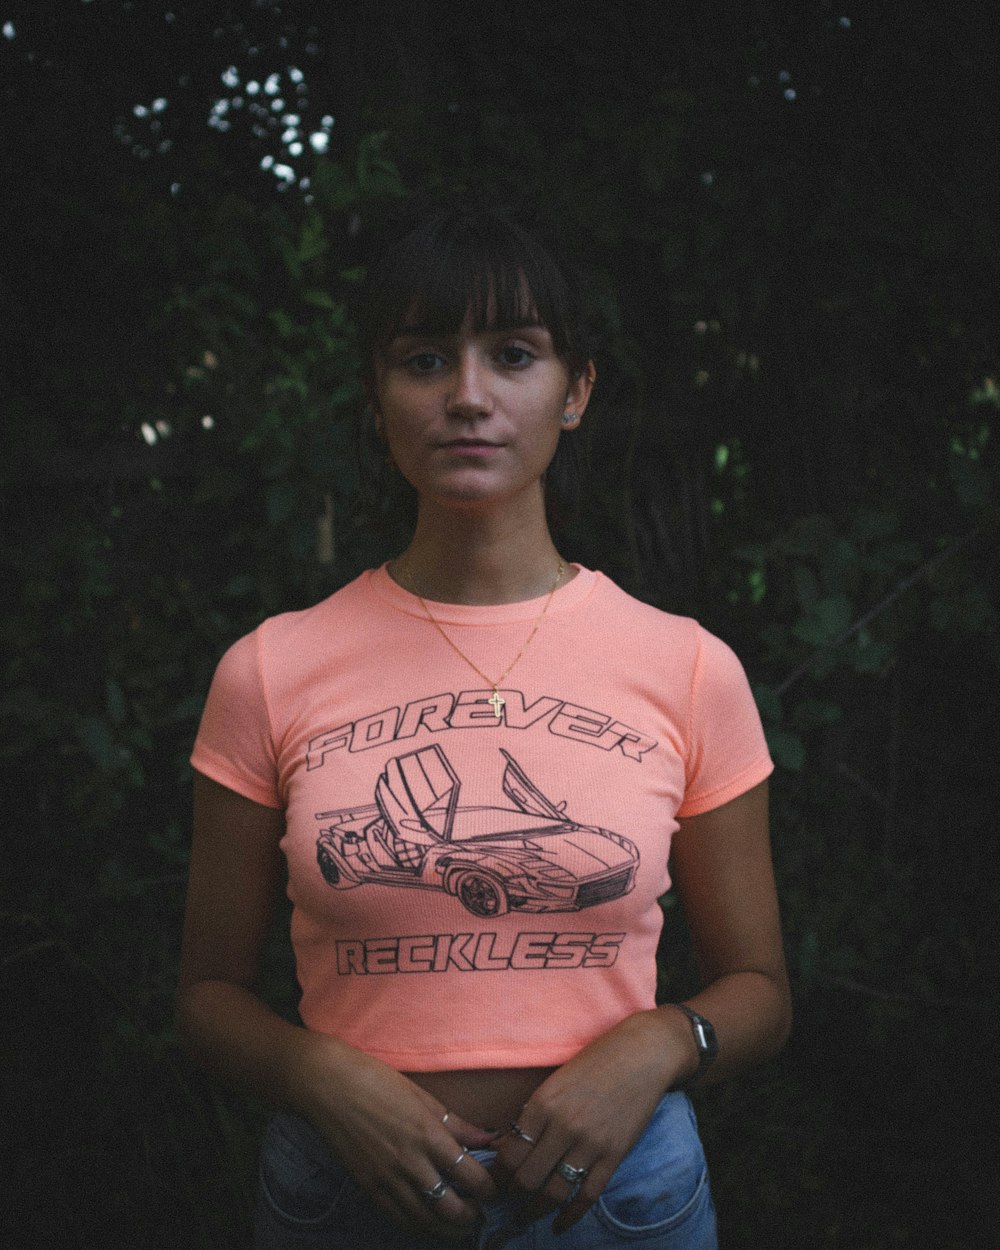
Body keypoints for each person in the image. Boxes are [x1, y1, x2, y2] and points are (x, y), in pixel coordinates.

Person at [176, 203, 792, 1250]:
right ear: (378, 400)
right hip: (347, 1192)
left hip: (619, 1195)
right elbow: (204, 995)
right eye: (423, 359)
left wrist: (654, 1042)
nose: (467, 396)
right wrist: (316, 1072)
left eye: (513, 354)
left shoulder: (687, 665)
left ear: (576, 391)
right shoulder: (269, 667)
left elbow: (761, 991)